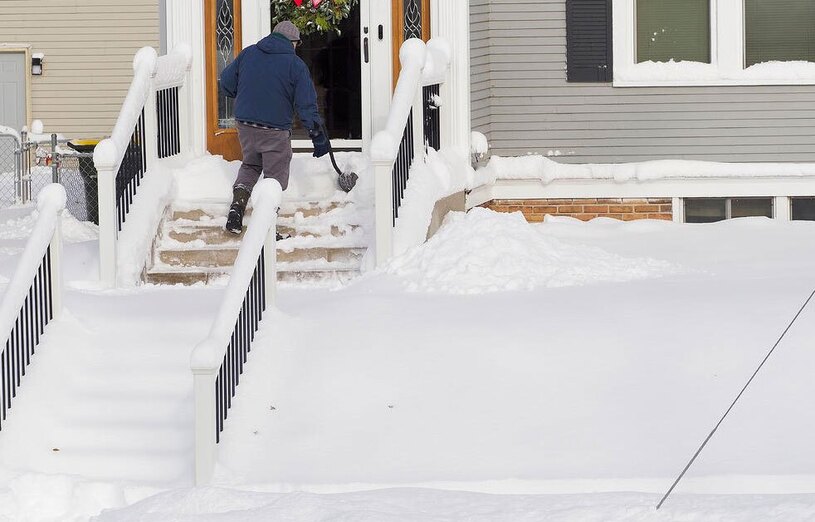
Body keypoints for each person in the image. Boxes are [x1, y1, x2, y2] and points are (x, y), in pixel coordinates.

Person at [219, 20, 330, 234]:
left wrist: (243, 94)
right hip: (275, 130)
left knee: (251, 165)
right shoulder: (295, 65)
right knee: (274, 177)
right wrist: (317, 134)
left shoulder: (249, 53)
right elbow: (306, 104)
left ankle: (236, 209)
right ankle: (267, 230)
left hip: (245, 124)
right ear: (293, 42)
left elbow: (226, 81)